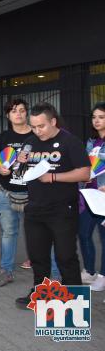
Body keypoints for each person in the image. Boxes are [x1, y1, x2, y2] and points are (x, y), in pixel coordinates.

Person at [15, 102, 90, 308]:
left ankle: (75, 302)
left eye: (41, 126)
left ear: (53, 121)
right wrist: (19, 161)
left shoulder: (70, 142)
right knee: (38, 257)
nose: (37, 131)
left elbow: (85, 173)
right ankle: (41, 294)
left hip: (62, 210)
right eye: (34, 127)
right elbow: (19, 174)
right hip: (35, 209)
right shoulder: (30, 142)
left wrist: (54, 177)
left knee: (65, 257)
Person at [0, 99, 34, 287]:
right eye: (14, 111)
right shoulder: (4, 137)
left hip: (33, 194)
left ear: (26, 113)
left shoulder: (37, 135)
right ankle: (7, 271)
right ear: (8, 115)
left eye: (22, 110)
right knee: (9, 232)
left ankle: (49, 273)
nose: (19, 114)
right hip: (5, 192)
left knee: (38, 233)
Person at [78, 102, 105, 291]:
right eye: (94, 117)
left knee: (104, 238)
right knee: (83, 233)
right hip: (88, 195)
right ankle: (89, 271)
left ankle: (103, 276)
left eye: (101, 117)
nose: (97, 120)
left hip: (104, 198)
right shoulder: (91, 142)